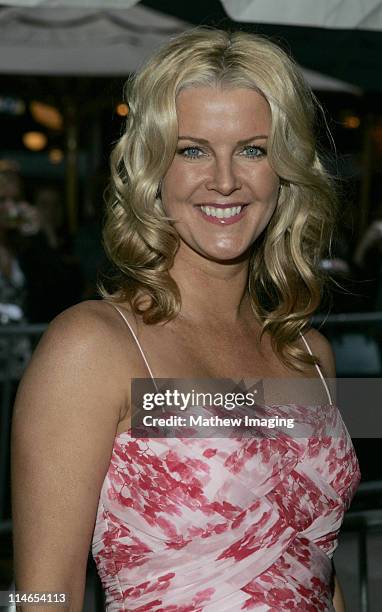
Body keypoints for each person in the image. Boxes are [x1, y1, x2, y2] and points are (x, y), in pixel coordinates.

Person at [11, 27, 360, 611]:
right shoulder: (92, 348)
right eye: (191, 149)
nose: (224, 179)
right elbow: (44, 595)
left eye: (253, 149)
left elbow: (316, 566)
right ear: (153, 170)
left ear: (286, 169)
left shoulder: (311, 354)